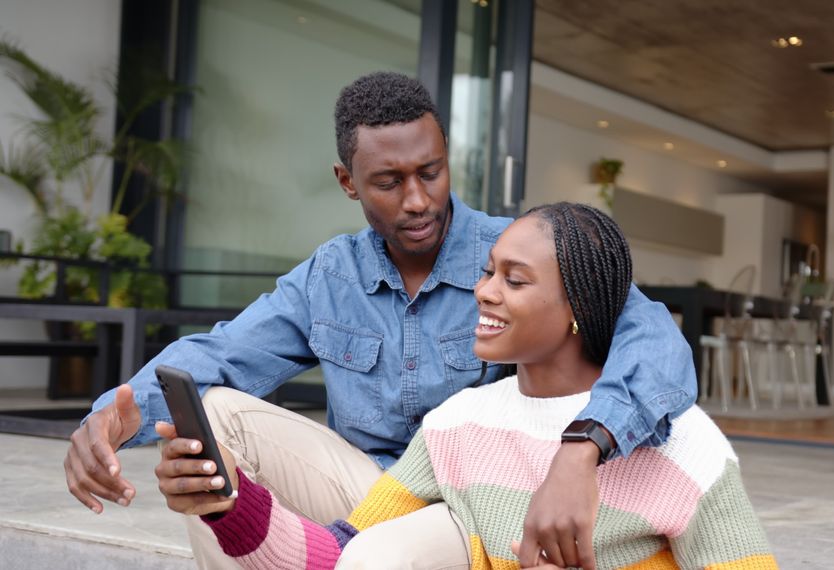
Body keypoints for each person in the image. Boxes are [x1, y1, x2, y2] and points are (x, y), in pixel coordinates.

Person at [64, 72, 696, 568]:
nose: (418, 199)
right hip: (370, 498)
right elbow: (223, 354)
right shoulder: (329, 277)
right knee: (213, 422)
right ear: (348, 182)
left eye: (431, 172)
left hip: (482, 504)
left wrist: (582, 448)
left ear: (447, 156)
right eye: (389, 182)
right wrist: (109, 419)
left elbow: (655, 339)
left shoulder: (522, 251)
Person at [155, 202, 777, 569]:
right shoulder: (459, 424)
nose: (483, 291)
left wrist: (580, 451)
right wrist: (233, 506)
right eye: (487, 273)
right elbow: (338, 557)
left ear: (576, 310)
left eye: (515, 279)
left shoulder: (682, 444)